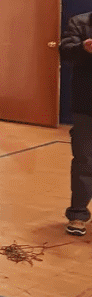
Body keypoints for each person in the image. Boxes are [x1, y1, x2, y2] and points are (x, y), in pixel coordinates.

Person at [58, 12, 92, 236]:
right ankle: (78, 215)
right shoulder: (79, 23)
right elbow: (65, 51)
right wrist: (83, 48)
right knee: (84, 161)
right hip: (86, 105)